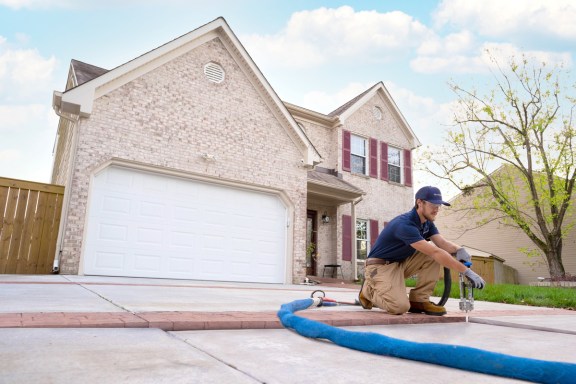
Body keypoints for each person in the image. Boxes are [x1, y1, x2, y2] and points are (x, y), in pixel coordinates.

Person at [358, 186, 486, 316]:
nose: (436, 209)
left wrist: (459, 250)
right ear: (419, 202)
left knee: (434, 255)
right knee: (399, 307)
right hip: (379, 267)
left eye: (439, 205)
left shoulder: (426, 223)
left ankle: (419, 300)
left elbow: (442, 243)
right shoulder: (405, 224)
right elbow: (435, 252)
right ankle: (368, 291)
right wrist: (466, 271)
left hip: (399, 264)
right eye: (433, 204)